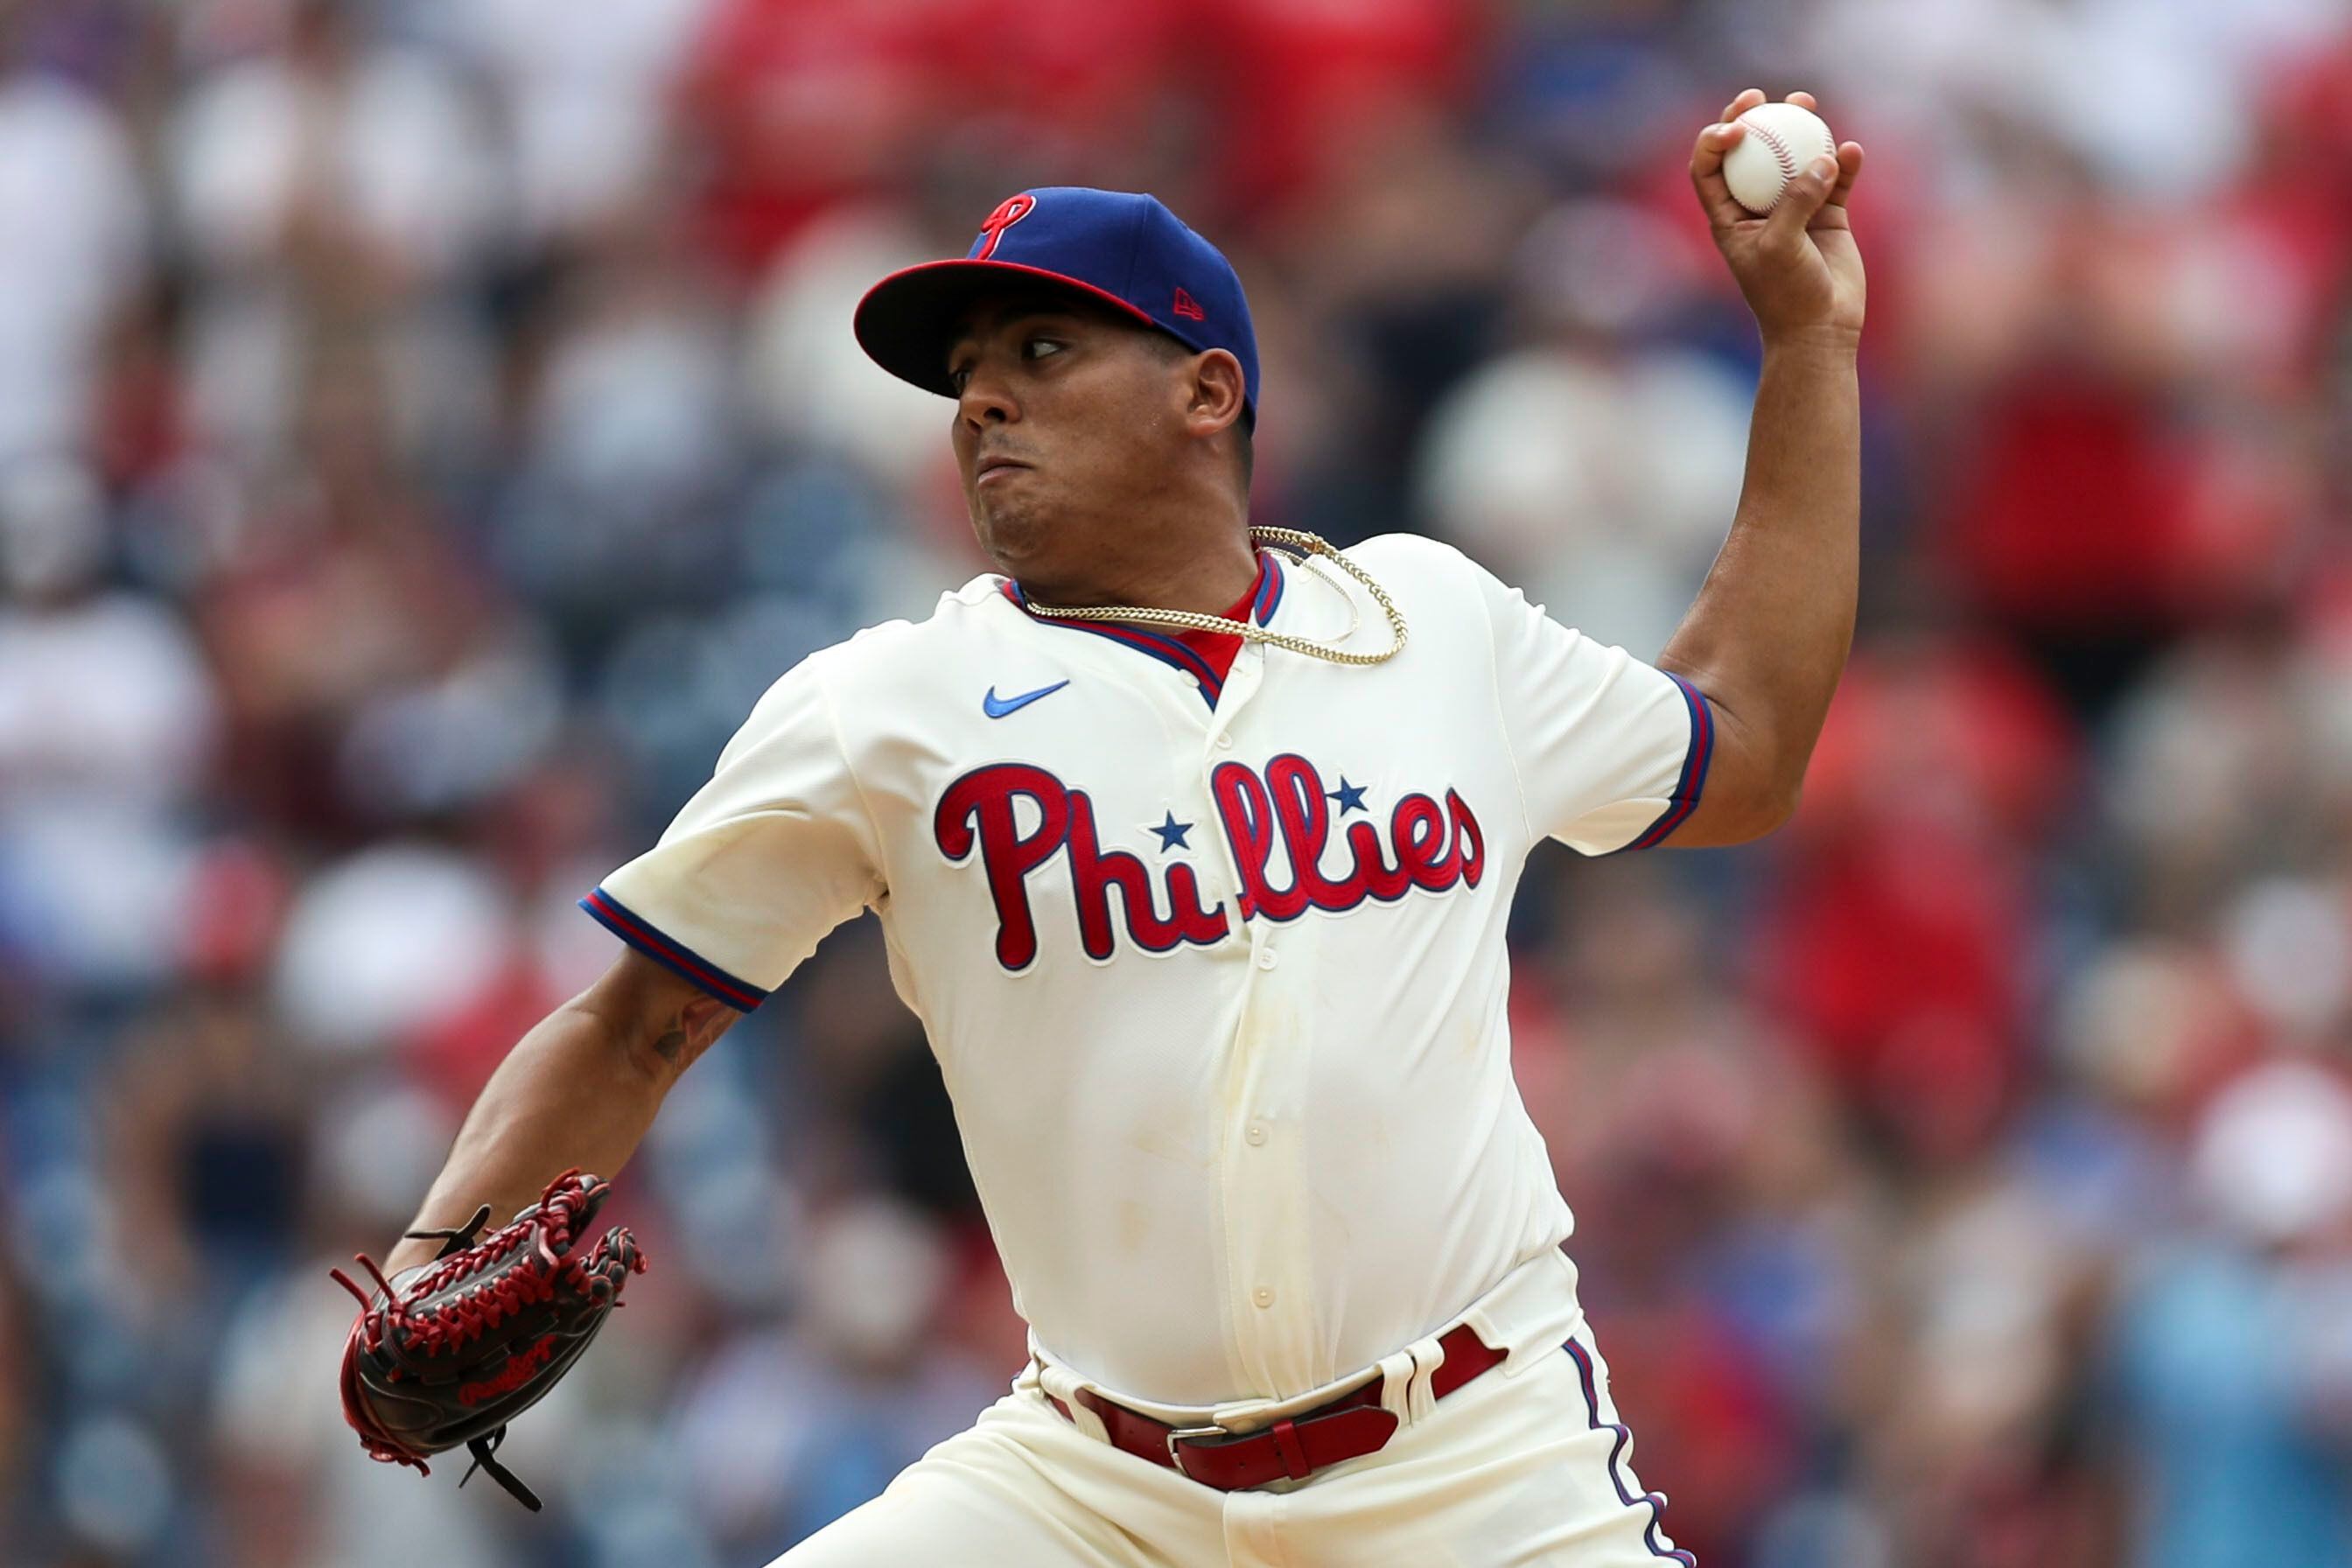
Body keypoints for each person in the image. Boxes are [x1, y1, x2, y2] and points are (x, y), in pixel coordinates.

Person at [364, 88, 1866, 1565]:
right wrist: (432, 1265)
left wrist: (1808, 345)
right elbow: (630, 1025)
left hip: (1476, 1463)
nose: (980, 402)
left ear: (1207, 392)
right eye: (964, 374)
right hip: (1097, 1489)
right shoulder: (889, 705)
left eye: (1041, 350)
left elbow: (1740, 750)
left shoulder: (1428, 620)